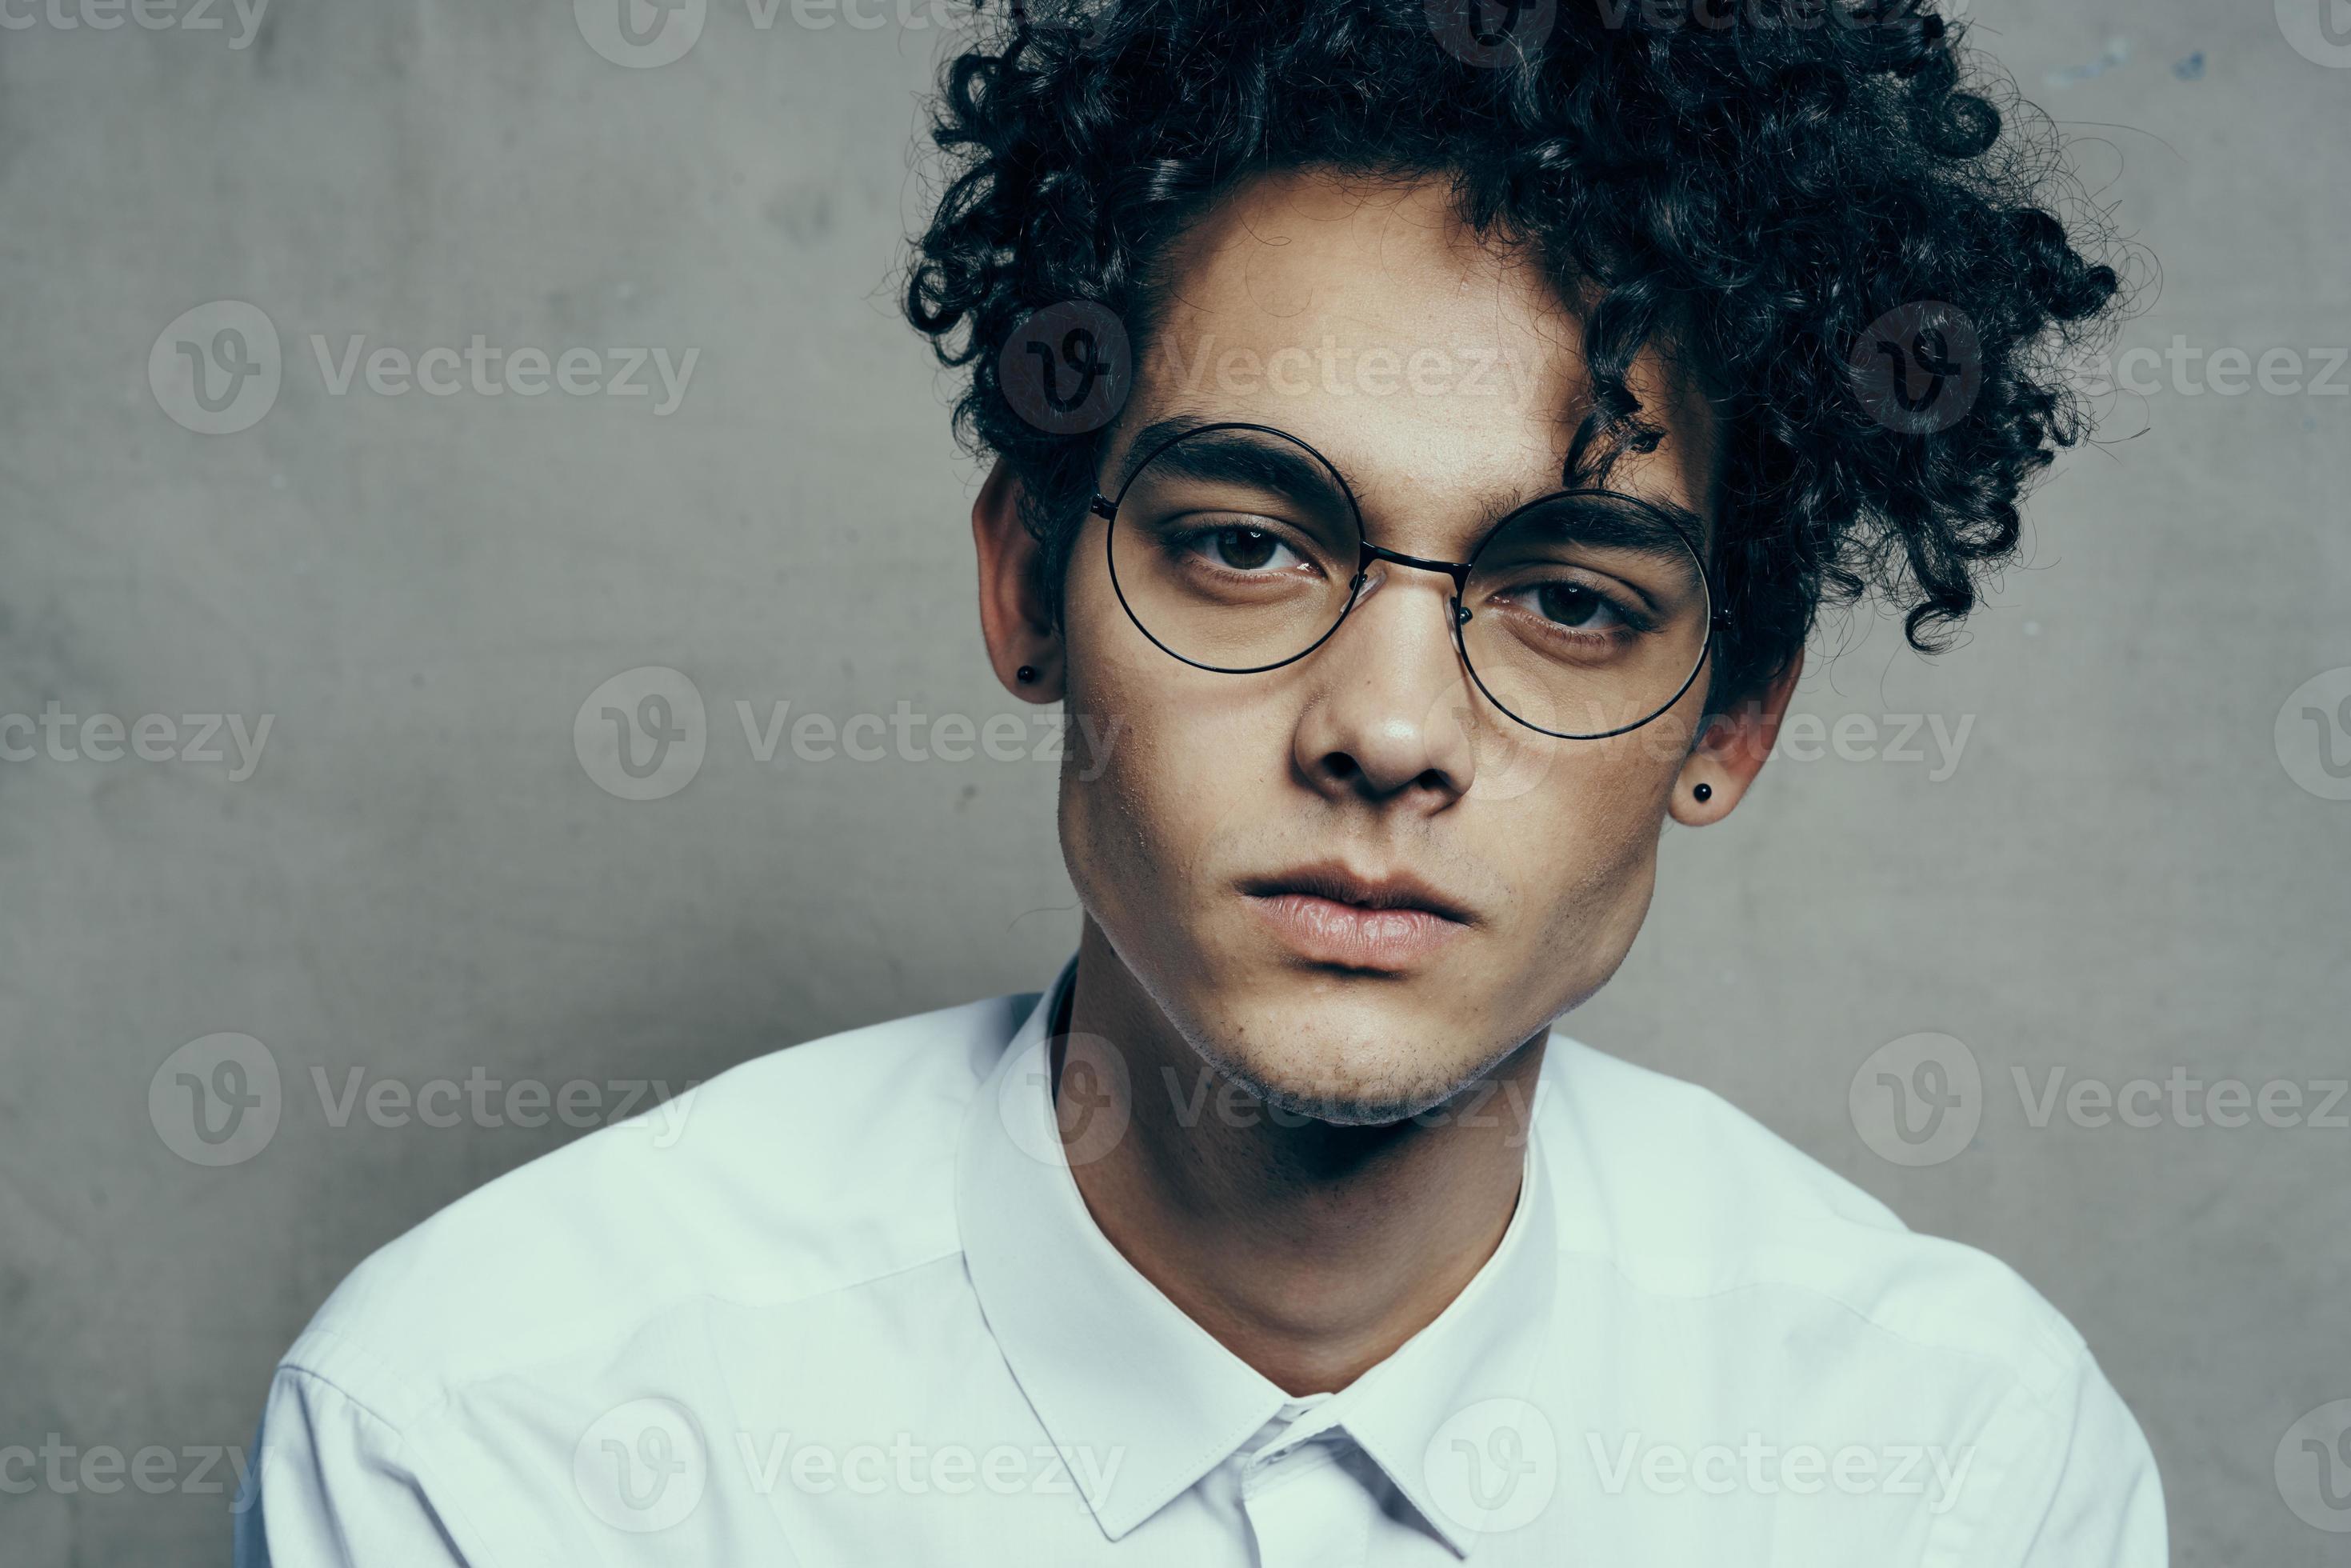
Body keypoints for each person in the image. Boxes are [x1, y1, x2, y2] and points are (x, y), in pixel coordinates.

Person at [235, 2, 2163, 1562]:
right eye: (1249, 545)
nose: (1388, 730)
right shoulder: (493, 1436)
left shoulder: (1952, 1472)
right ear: (1025, 584)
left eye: (1570, 594)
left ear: (1727, 721)